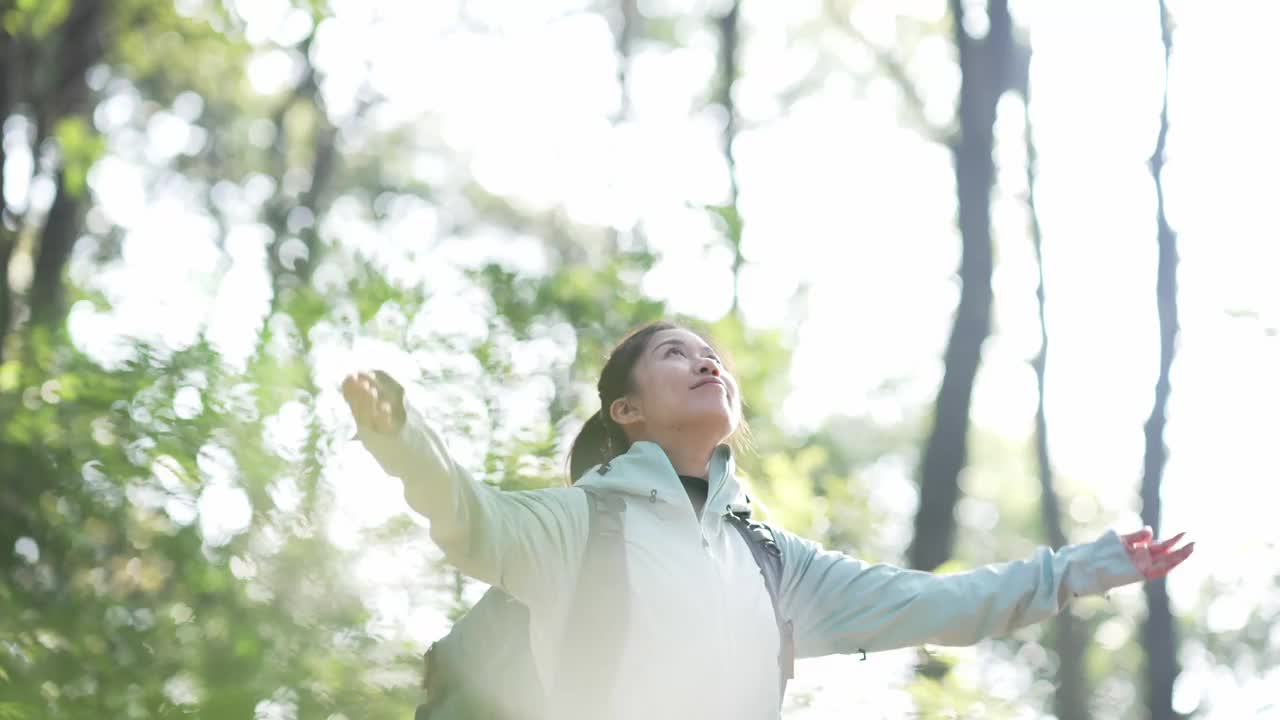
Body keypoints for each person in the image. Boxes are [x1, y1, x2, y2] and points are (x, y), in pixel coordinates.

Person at [342, 320, 1194, 720]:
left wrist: (1080, 568)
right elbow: (472, 520)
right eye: (673, 352)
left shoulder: (768, 560)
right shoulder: (578, 526)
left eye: (710, 354)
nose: (705, 360)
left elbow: (936, 603)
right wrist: (403, 437)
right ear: (629, 411)